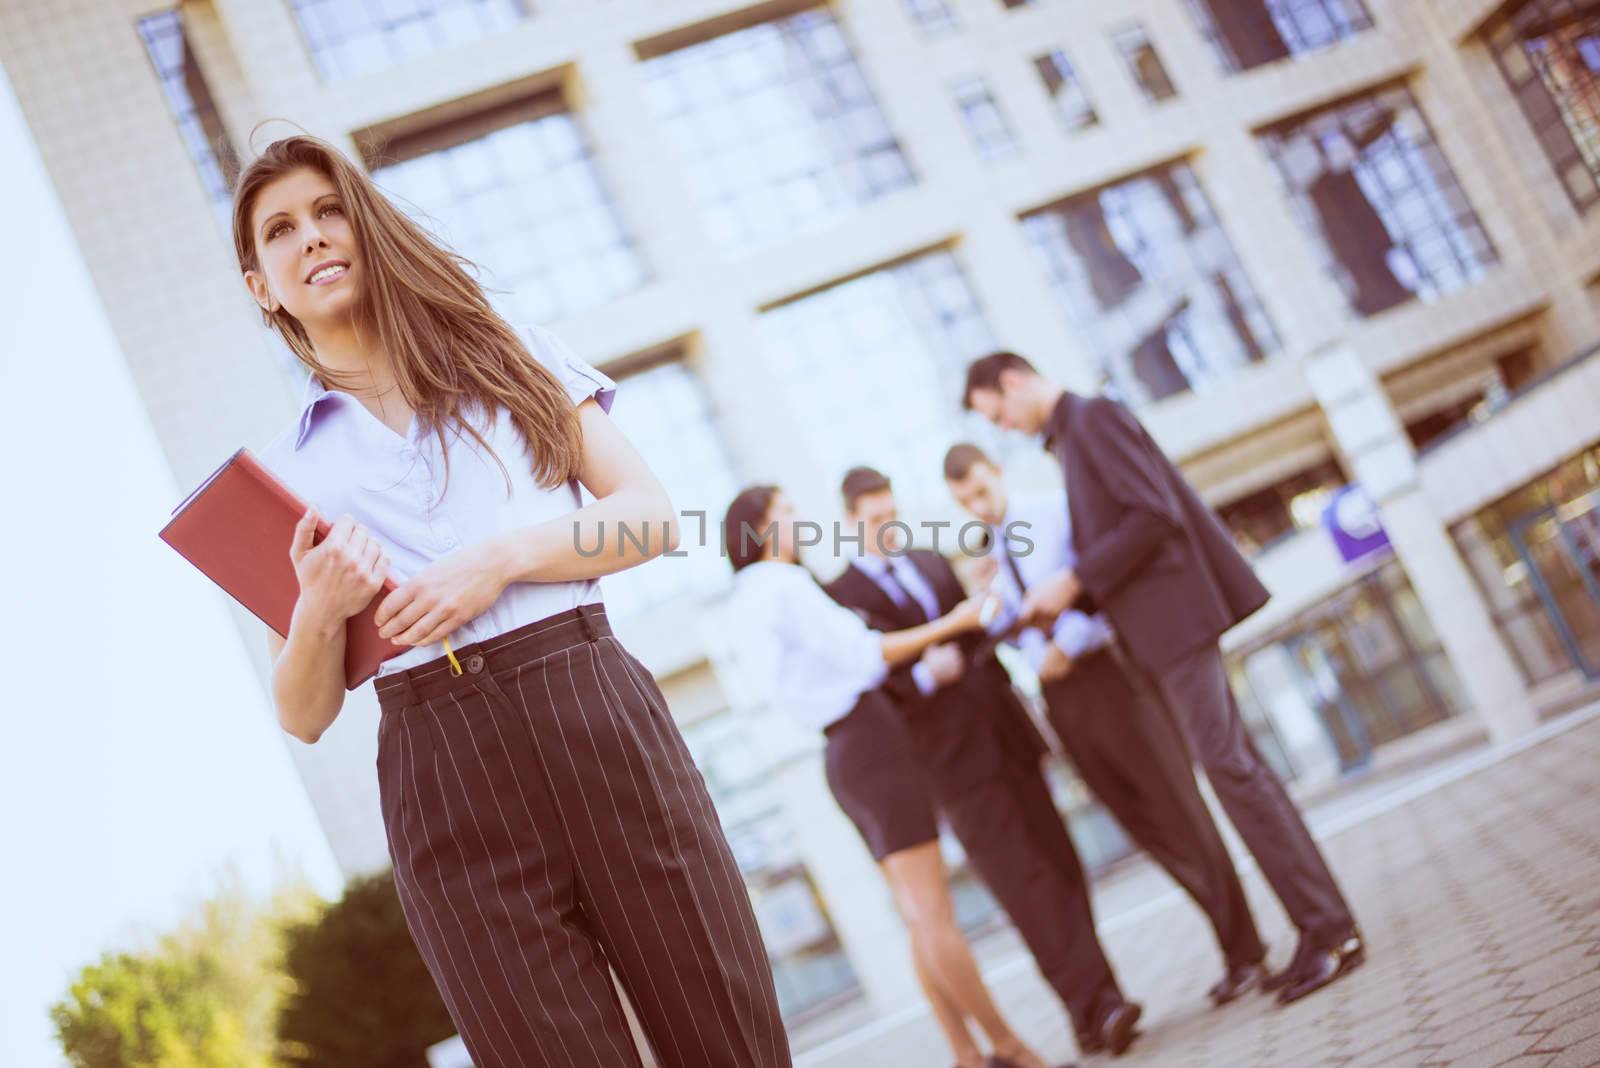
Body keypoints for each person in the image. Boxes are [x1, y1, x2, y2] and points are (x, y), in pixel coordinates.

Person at [240, 134, 789, 1067]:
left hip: (591, 708)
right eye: (281, 230)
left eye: (330, 211)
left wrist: (499, 561)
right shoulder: (285, 476)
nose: (314, 238)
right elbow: (301, 713)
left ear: (366, 227)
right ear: (262, 284)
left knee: (726, 1035)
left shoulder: (509, 355)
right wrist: (319, 612)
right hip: (441, 771)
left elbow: (652, 519)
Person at [962, 351, 1365, 1006]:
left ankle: (1329, 930)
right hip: (1163, 630)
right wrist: (1070, 599)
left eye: (997, 411)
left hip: (1176, 625)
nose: (1003, 426)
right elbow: (1128, 528)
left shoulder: (1092, 419)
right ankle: (1324, 927)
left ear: (1013, 381)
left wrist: (1074, 581)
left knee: (1233, 775)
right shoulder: (1072, 436)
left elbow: (1152, 515)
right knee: (1243, 771)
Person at [724, 486, 1065, 1068]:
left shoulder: (746, 599)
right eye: (787, 515)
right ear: (757, 531)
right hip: (872, 745)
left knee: (915, 914)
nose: (800, 523)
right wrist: (952, 622)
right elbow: (868, 654)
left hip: (848, 754)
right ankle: (1011, 1047)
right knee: (934, 913)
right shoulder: (781, 584)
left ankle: (966, 1053)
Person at [827, 467, 1142, 1057]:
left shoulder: (927, 560)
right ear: (849, 523)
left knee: (1061, 866)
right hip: (949, 764)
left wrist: (991, 600)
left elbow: (978, 637)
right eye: (874, 521)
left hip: (1005, 732)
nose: (887, 528)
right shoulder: (839, 596)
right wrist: (921, 677)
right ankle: (1100, 1007)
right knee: (1025, 887)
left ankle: (1095, 1008)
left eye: (892, 515)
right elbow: (862, 682)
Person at [943, 443, 1269, 1005]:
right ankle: (1232, 941)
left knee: (1179, 809)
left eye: (979, 490)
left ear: (996, 473)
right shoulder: (995, 549)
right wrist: (994, 601)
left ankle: (1247, 950)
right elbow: (1019, 627)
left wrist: (1066, 643)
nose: (976, 505)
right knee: (1143, 825)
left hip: (1111, 679)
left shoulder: (1052, 510)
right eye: (963, 501)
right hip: (1061, 701)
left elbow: (1098, 586)